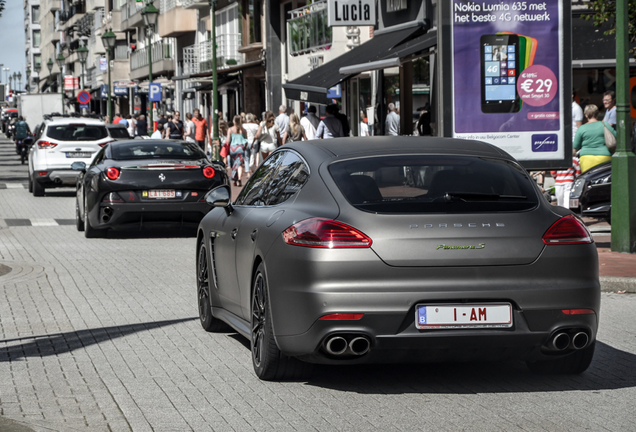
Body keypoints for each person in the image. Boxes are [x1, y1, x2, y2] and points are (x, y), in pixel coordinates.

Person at [573, 104, 615, 173]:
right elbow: (616, 137)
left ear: (586, 115)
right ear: (597, 114)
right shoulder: (605, 125)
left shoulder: (581, 128)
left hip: (586, 158)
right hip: (604, 157)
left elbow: (575, 146)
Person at [226, 115, 248, 186]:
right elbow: (246, 140)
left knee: (234, 164)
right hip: (240, 148)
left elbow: (228, 140)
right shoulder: (243, 130)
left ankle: (234, 180)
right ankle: (239, 178)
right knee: (239, 165)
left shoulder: (230, 129)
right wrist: (244, 147)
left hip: (233, 148)